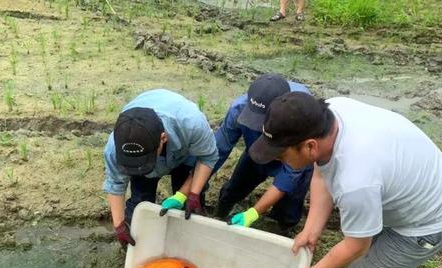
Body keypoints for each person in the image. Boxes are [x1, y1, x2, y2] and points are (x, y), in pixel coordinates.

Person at [250, 92, 442, 268]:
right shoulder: (330, 112)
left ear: (310, 146)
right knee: (365, 245)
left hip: (429, 222)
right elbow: (322, 173)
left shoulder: (355, 181)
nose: (278, 161)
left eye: (282, 155)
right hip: (407, 184)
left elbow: (357, 246)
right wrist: (311, 229)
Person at [103, 89, 219, 247]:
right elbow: (115, 183)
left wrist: (189, 195)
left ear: (163, 139)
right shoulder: (113, 148)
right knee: (139, 205)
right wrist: (119, 226)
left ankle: (188, 241)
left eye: (144, 160)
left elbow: (207, 157)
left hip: (183, 153)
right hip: (146, 150)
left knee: (189, 207)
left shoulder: (191, 124)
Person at [213, 74, 313, 231]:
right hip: (256, 152)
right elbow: (218, 150)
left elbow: (289, 175)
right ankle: (220, 214)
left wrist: (253, 213)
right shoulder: (239, 108)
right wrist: (193, 190)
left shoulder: (300, 120)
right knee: (233, 190)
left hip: (291, 155)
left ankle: (281, 229)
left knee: (289, 207)